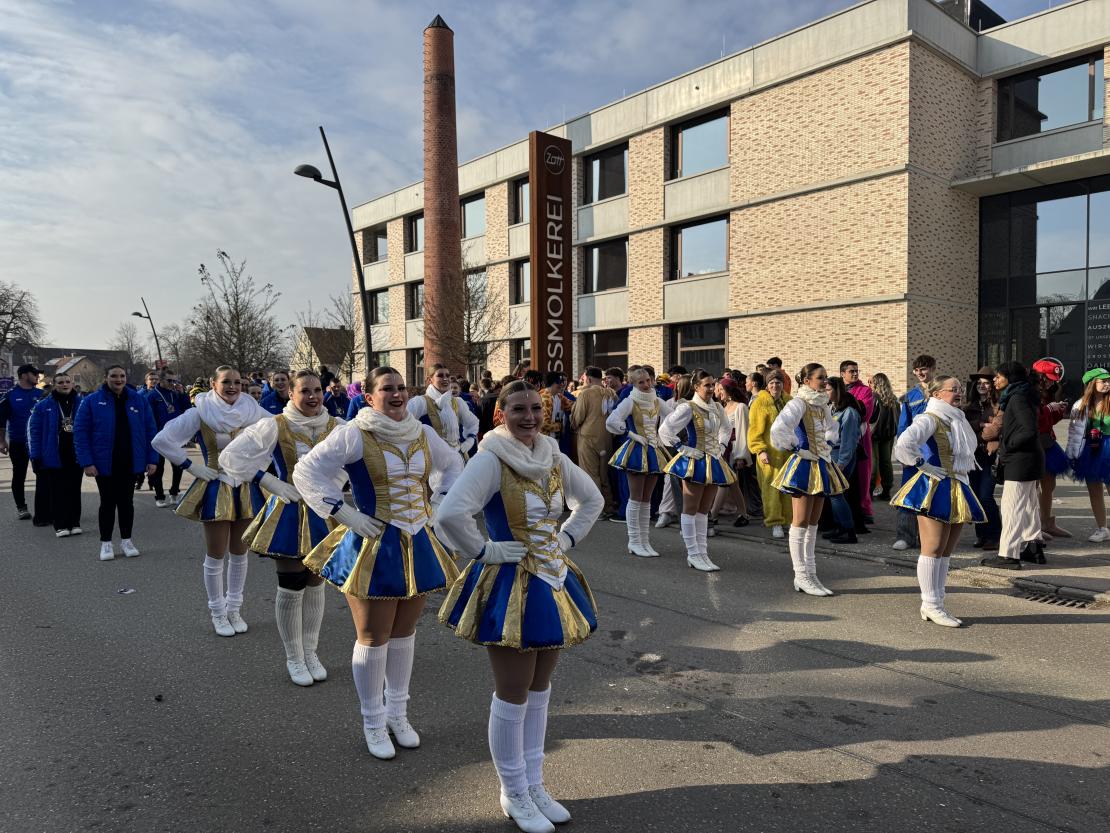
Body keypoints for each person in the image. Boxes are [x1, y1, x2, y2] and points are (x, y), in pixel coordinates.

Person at [435, 380, 603, 832]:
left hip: (551, 577)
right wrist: (485, 550)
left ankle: (534, 783)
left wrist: (565, 537)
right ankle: (512, 791)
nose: (529, 417)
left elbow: (592, 500)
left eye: (536, 408)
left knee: (540, 688)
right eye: (519, 409)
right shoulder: (491, 459)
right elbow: (450, 513)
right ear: (500, 414)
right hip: (510, 580)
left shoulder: (552, 455)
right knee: (513, 689)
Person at [293, 367, 462, 760]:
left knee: (405, 633)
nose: (397, 394)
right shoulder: (355, 433)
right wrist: (342, 511)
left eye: (402, 387)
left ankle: (398, 714)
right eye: (387, 388)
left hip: (418, 538)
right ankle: (372, 720)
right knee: (373, 635)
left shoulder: (422, 432)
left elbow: (453, 465)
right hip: (374, 540)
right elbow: (306, 471)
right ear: (370, 397)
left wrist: (438, 501)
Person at [220, 370, 341, 686]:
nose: (313, 397)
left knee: (316, 583)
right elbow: (230, 457)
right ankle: (294, 656)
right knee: (291, 584)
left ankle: (311, 651)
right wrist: (268, 480)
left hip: (324, 510)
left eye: (317, 390)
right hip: (288, 510)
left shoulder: (338, 427)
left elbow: (355, 463)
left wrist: (333, 486)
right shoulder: (275, 425)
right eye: (305, 391)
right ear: (291, 393)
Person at [152, 366, 271, 634]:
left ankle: (234, 609)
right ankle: (217, 612)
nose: (232, 387)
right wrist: (190, 466)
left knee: (240, 554)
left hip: (245, 486)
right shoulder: (200, 411)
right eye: (226, 382)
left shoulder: (252, 411)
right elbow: (161, 441)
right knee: (216, 555)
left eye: (237, 382)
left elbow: (280, 431)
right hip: (216, 486)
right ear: (213, 383)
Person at [892, 376, 985, 626]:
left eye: (960, 389)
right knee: (932, 548)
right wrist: (922, 464)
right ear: (936, 394)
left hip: (957, 484)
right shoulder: (929, 418)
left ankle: (937, 602)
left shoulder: (957, 419)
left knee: (945, 551)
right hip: (934, 486)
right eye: (953, 390)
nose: (959, 393)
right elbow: (904, 444)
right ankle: (930, 604)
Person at [770, 363, 848, 596]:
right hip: (805, 464)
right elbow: (779, 429)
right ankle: (801, 575)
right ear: (807, 381)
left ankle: (811, 573)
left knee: (813, 523)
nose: (825, 382)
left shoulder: (822, 405)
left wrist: (829, 442)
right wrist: (796, 446)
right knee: (800, 522)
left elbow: (833, 429)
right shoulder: (799, 403)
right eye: (820, 378)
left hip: (821, 463)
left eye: (825, 378)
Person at [73, 365, 157, 561]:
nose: (118, 379)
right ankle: (106, 543)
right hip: (104, 463)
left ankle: (127, 540)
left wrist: (152, 459)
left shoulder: (139, 400)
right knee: (108, 503)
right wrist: (87, 462)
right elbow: (80, 433)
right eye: (114, 376)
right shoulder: (91, 401)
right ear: (106, 377)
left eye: (122, 376)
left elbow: (150, 431)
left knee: (127, 503)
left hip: (130, 461)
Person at [660, 370, 736, 572]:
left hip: (713, 460)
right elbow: (665, 430)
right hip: (695, 461)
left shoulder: (717, 407)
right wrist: (682, 448)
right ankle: (692, 553)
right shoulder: (688, 407)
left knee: (705, 509)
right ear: (696, 387)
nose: (711, 389)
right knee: (690, 508)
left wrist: (721, 446)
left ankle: (703, 553)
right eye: (707, 385)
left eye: (713, 385)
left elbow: (726, 428)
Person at [981, 362, 1044, 569]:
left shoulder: (1016, 398)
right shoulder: (1023, 394)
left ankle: (1008, 555)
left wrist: (1007, 446)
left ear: (1010, 378)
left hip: (1020, 460)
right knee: (1028, 506)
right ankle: (1033, 548)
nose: (995, 380)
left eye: (998, 376)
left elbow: (1028, 430)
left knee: (1012, 507)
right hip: (1028, 460)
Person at [606, 367, 672, 557]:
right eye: (641, 382)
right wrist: (630, 433)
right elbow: (611, 421)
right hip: (636, 451)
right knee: (635, 499)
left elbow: (673, 418)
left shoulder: (657, 400)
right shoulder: (630, 401)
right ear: (633, 384)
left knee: (646, 500)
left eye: (648, 381)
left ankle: (645, 541)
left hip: (653, 449)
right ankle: (634, 541)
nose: (646, 384)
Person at [28, 372, 84, 538]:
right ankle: (60, 525)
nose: (65, 385)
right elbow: (35, 433)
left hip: (76, 453)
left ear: (72, 383)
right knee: (58, 491)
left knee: (74, 490)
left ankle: (74, 522)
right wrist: (35, 457)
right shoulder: (43, 406)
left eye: (67, 381)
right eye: (60, 382)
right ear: (54, 384)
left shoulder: (82, 403)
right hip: (54, 454)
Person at [893, 355, 936, 551]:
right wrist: (904, 453)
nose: (920, 373)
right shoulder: (910, 396)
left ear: (933, 369)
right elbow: (903, 427)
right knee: (909, 493)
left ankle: (932, 537)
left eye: (924, 369)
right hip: (915, 453)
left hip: (936, 453)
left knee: (934, 495)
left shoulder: (940, 392)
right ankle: (906, 536)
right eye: (917, 370)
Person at [407, 363, 479, 478]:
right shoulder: (420, 402)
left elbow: (472, 423)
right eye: (440, 375)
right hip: (435, 463)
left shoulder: (457, 402)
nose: (445, 378)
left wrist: (469, 440)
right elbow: (404, 424)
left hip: (458, 457)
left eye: (447, 375)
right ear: (430, 380)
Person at [747, 369, 792, 538]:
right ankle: (775, 522)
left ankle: (788, 519)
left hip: (788, 453)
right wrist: (760, 450)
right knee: (771, 488)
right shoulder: (760, 403)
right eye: (772, 382)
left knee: (788, 487)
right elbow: (754, 430)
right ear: (767, 385)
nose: (775, 385)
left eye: (778, 382)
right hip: (769, 454)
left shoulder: (789, 401)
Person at [1067, 367, 1110, 542]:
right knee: (1094, 490)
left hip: (1108, 447)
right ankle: (1102, 529)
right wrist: (1072, 455)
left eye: (1109, 381)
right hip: (1090, 449)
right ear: (1092, 384)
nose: (1107, 384)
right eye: (1103, 381)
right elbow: (1074, 432)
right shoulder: (1080, 405)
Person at [1031, 358, 1071, 540]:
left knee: (1049, 483)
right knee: (1033, 485)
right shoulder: (1028, 392)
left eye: (1052, 379)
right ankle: (1034, 525)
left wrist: (1058, 411)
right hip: (1032, 443)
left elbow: (1048, 423)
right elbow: (1032, 419)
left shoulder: (1049, 392)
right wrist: (1048, 409)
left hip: (1047, 441)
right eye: (1047, 378)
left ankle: (1046, 522)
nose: (1050, 382)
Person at [0, 364, 45, 521]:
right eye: (35, 374)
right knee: (19, 475)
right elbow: (2, 421)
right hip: (19, 441)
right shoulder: (9, 395)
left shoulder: (42, 394)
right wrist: (2, 442)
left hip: (40, 442)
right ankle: (21, 507)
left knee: (44, 474)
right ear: (24, 375)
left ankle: (45, 508)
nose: (38, 377)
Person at [963, 367, 1002, 549]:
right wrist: (981, 424)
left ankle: (994, 536)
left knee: (986, 496)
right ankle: (981, 535)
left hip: (990, 456)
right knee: (976, 497)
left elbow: (995, 430)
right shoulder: (968, 406)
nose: (982, 386)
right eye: (979, 383)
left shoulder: (998, 405)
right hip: (973, 457)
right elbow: (963, 429)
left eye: (986, 382)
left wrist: (979, 431)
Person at [823, 377, 864, 544]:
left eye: (828, 389)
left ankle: (849, 531)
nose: (825, 392)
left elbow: (849, 442)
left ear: (837, 390)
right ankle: (840, 527)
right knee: (835, 494)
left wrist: (842, 463)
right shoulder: (832, 409)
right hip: (830, 454)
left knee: (836, 494)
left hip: (840, 456)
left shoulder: (849, 413)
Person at [141, 369, 191, 507]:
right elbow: (148, 419)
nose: (173, 383)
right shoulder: (152, 396)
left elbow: (188, 411)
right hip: (158, 437)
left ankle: (174, 493)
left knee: (178, 465)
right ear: (161, 380)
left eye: (175, 380)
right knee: (159, 467)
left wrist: (183, 395)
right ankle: (159, 496)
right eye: (170, 380)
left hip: (175, 437)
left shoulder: (176, 394)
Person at [570, 366, 616, 516]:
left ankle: (596, 509)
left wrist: (573, 424)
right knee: (604, 474)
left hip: (588, 437)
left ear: (588, 378)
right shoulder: (611, 393)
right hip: (607, 437)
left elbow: (578, 417)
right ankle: (608, 505)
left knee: (590, 474)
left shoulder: (586, 394)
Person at [709, 376, 751, 529]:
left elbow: (743, 432)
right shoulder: (722, 408)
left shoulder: (740, 407)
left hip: (733, 450)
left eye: (720, 389)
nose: (717, 392)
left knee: (724, 482)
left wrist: (741, 456)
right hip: (721, 449)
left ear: (728, 391)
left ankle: (712, 516)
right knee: (732, 483)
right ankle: (744, 515)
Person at [841, 360, 875, 523]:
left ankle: (864, 508)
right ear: (842, 374)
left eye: (856, 371)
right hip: (840, 439)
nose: (855, 374)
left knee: (862, 475)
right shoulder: (837, 390)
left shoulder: (865, 391)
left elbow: (865, 414)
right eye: (851, 371)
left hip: (860, 438)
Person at [868, 373, 900, 501]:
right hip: (888, 435)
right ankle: (886, 490)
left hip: (874, 434)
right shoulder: (893, 398)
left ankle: (869, 492)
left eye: (871, 382)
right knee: (886, 462)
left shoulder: (873, 397)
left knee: (873, 463)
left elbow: (870, 417)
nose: (869, 385)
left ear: (877, 383)